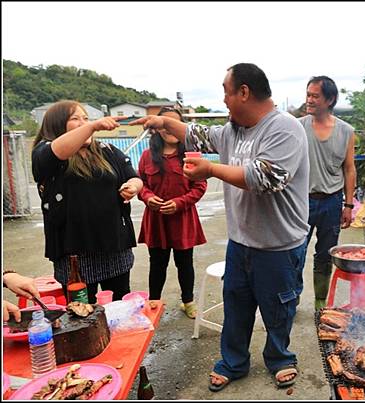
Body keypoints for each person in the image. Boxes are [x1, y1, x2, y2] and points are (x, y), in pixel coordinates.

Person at [130, 63, 309, 391]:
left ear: (244, 92)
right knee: (237, 304)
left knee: (279, 307)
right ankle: (234, 361)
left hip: (280, 245)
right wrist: (162, 121)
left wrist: (210, 169)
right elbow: (195, 133)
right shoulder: (232, 130)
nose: (224, 100)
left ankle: (280, 357)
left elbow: (264, 177)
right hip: (241, 242)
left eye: (226, 92)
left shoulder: (284, 128)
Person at [31, 100, 142, 303]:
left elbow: (133, 176)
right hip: (74, 254)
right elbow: (59, 151)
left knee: (120, 309)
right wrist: (91, 126)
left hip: (114, 247)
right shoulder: (44, 153)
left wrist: (133, 187)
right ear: (57, 125)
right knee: (81, 316)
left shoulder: (106, 150)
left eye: (86, 118)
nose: (84, 123)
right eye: (75, 119)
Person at [137, 106, 208, 319]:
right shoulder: (148, 156)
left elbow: (200, 186)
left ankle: (188, 301)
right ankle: (154, 303)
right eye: (164, 123)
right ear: (157, 128)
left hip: (183, 218)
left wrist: (179, 203)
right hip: (156, 219)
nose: (168, 128)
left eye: (173, 123)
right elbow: (141, 183)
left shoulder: (191, 156)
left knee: (184, 263)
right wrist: (148, 197)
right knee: (157, 263)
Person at [298, 76, 356, 310]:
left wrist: (348, 205)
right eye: (308, 94)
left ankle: (320, 299)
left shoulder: (346, 131)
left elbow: (349, 169)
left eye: (315, 96)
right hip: (301, 202)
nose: (309, 100)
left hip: (332, 202)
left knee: (325, 253)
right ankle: (292, 298)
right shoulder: (298, 126)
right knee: (295, 252)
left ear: (330, 99)